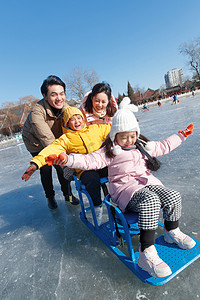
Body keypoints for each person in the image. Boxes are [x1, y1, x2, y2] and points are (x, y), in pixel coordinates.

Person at [45, 97, 196, 278]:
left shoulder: (141, 145)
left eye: (132, 136)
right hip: (125, 191)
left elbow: (163, 145)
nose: (129, 140)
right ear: (115, 135)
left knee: (173, 195)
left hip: (147, 183)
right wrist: (67, 159)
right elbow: (89, 160)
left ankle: (172, 231)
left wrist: (181, 136)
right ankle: (146, 253)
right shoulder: (109, 151)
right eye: (124, 137)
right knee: (151, 201)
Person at [22, 106, 112, 225]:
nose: (77, 121)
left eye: (79, 118)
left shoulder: (94, 129)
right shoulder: (65, 139)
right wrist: (35, 164)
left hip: (101, 163)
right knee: (92, 181)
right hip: (84, 170)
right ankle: (97, 206)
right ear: (67, 123)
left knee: (117, 169)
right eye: (72, 119)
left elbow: (112, 128)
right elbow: (51, 149)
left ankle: (120, 198)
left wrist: (127, 126)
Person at [22, 75, 79, 210]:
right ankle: (50, 197)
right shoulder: (37, 111)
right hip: (35, 142)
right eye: (54, 95)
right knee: (45, 168)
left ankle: (68, 195)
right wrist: (61, 153)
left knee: (61, 167)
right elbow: (46, 137)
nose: (59, 98)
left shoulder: (65, 107)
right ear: (45, 96)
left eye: (62, 94)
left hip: (54, 139)